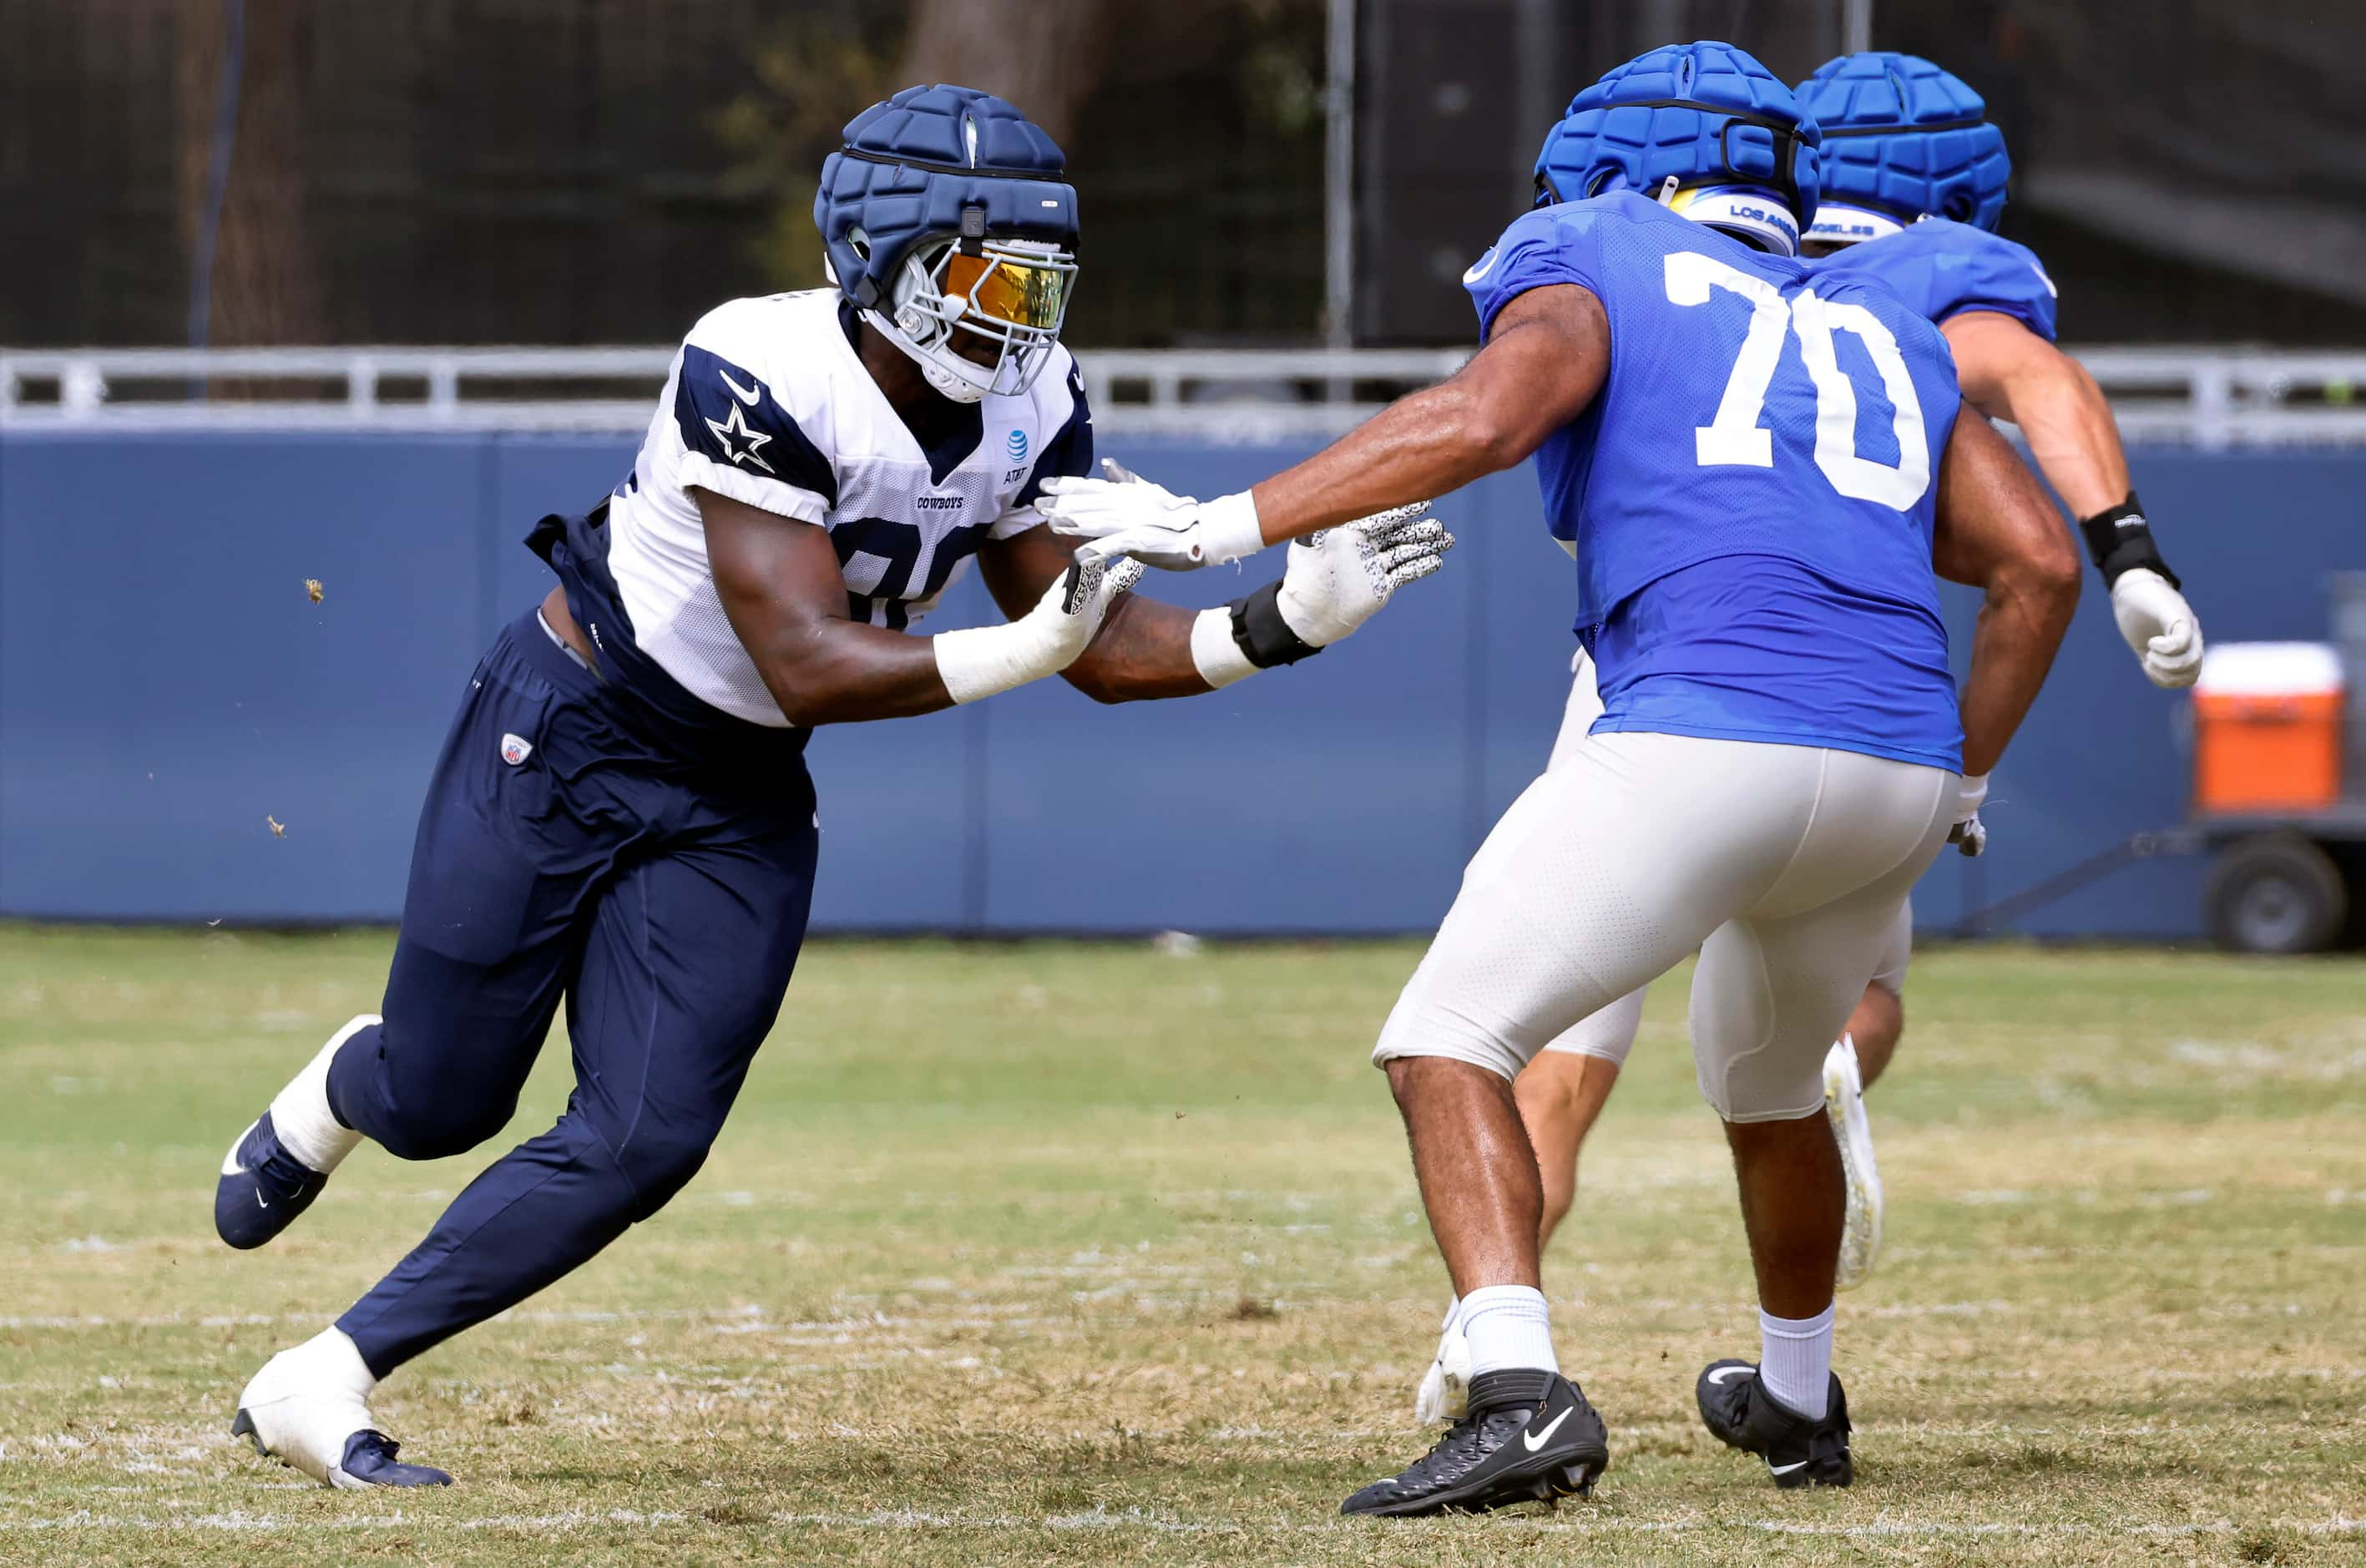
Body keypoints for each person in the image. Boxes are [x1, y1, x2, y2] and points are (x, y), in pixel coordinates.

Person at [210, 83, 1453, 1490]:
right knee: (440, 1100)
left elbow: (1089, 647)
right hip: (574, 726)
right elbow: (805, 658)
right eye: (983, 274)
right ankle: (343, 1087)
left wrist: (1270, 626)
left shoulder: (1030, 394)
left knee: (645, 1136)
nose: (1018, 314)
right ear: (878, 258)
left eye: (1039, 279)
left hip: (735, 786)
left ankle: (326, 1371)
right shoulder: (753, 362)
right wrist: (1022, 642)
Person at [1040, 40, 2082, 1510]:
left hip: (1703, 733)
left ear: (1641, 175)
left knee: (1448, 1035)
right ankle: (1796, 1397)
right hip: (1897, 768)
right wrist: (1964, 780)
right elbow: (2032, 557)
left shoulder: (1601, 245)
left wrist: (1219, 523)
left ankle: (1520, 1389)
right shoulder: (1878, 312)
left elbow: (1484, 415)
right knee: (1775, 1089)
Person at [1495, 51, 2206, 1369]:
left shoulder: (1663, 261)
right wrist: (2126, 554)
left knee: (1545, 1042)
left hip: (1639, 669)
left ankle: (1494, 1338)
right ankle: (1799, 1317)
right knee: (1841, 995)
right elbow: (2035, 526)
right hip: (1836, 699)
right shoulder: (1916, 297)